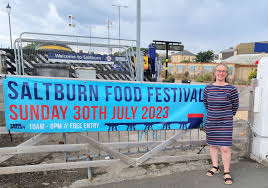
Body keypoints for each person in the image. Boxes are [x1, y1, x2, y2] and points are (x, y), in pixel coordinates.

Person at [203, 63, 239, 185]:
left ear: (227, 74)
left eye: (224, 71)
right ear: (215, 72)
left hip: (225, 122)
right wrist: (214, 114)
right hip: (211, 121)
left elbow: (235, 106)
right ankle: (215, 166)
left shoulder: (231, 89)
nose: (221, 73)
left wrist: (226, 115)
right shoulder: (208, 88)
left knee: (224, 148)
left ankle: (227, 171)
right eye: (219, 70)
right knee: (213, 145)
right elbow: (206, 104)